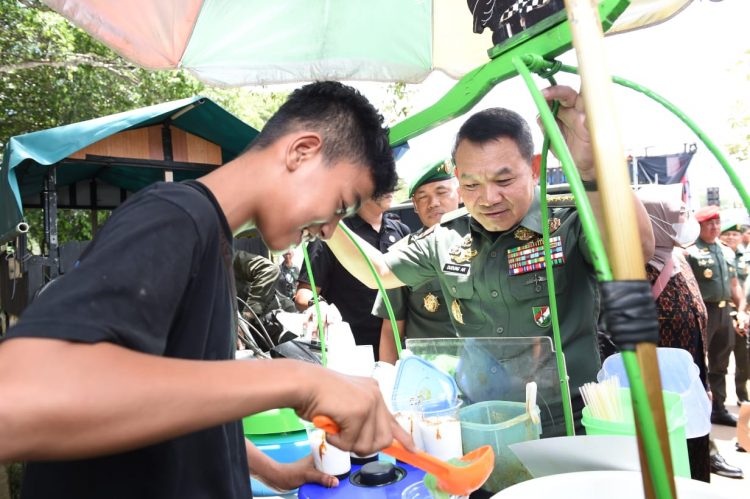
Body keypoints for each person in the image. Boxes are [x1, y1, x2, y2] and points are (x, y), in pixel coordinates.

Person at [0, 81, 414, 498]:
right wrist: (296, 379)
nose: (329, 229)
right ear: (301, 152)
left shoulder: (213, 241)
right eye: (340, 205)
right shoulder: (176, 218)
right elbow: (17, 397)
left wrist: (273, 471)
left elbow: (178, 397)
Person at [324, 85, 655, 435]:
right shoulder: (445, 238)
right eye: (471, 185)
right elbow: (378, 272)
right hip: (481, 420)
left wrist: (592, 171)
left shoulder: (570, 222)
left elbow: (636, 252)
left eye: (504, 179)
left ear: (534, 169)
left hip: (569, 420)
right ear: (457, 179)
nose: (488, 198)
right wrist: (322, 215)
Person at [636, 184, 711, 481]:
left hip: (690, 389)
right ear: (651, 222)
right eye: (678, 215)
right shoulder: (634, 273)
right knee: (671, 472)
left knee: (694, 465)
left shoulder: (677, 259)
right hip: (663, 407)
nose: (686, 220)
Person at [294, 192, 410, 359]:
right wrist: (317, 305)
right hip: (350, 352)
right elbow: (304, 292)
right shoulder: (334, 234)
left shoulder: (401, 231)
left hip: (398, 347)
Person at [373, 159, 461, 364]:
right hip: (431, 377)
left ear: (459, 193)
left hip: (488, 374)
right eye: (423, 197)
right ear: (414, 205)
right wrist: (388, 380)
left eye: (441, 192)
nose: (434, 203)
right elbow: (391, 328)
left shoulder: (486, 240)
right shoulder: (403, 254)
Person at [686, 206, 747, 428]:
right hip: (704, 311)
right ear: (699, 226)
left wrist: (740, 309)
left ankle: (718, 409)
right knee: (698, 361)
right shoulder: (690, 252)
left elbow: (734, 285)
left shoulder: (726, 251)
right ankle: (696, 409)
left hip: (724, 312)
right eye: (709, 223)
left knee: (721, 362)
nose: (714, 227)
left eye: (717, 223)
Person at [719, 222, 749, 405]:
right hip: (724, 311)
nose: (731, 237)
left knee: (744, 356)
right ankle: (719, 402)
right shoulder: (717, 255)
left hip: (744, 312)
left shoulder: (746, 257)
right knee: (720, 358)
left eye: (735, 234)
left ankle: (742, 395)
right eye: (727, 234)